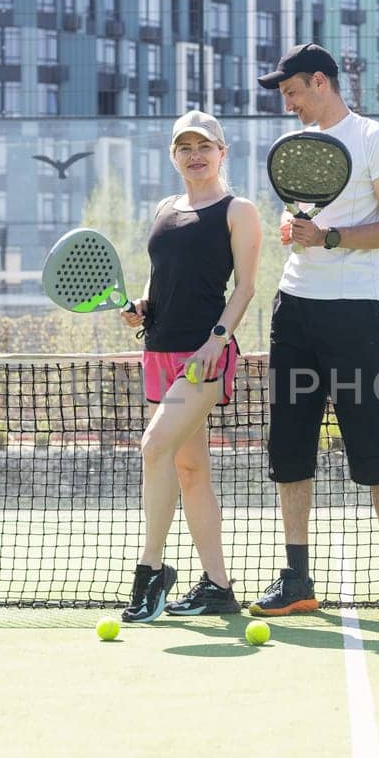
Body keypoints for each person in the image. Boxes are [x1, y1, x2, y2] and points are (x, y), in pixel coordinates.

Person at [252, 43, 379, 621]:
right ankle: (296, 579)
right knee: (289, 448)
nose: (289, 103)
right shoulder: (298, 151)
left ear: (319, 81)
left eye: (293, 91)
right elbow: (309, 220)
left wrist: (330, 239)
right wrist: (295, 229)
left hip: (354, 317)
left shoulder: (376, 139)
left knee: (374, 446)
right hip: (293, 313)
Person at [117, 110, 261, 622]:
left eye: (205, 146)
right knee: (190, 468)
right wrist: (140, 305)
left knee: (153, 446)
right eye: (184, 148)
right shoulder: (164, 207)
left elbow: (244, 287)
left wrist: (216, 341)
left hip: (206, 355)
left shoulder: (237, 210)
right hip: (158, 349)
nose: (195, 155)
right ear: (174, 156)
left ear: (222, 152)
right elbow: (161, 281)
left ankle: (150, 572)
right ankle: (218, 586)